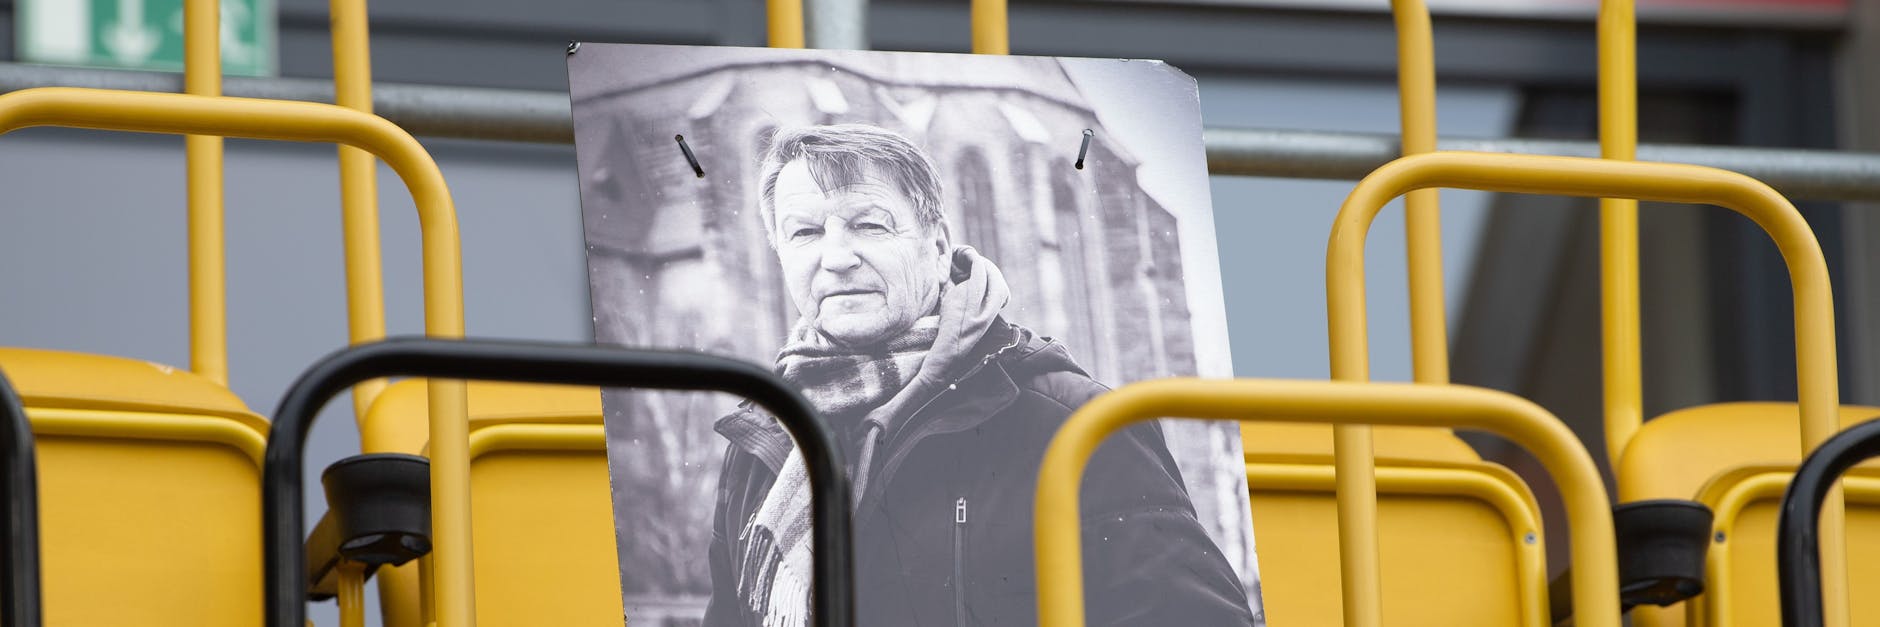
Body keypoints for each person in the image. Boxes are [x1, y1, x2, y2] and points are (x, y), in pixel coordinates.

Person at [703, 123, 1254, 626]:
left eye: (868, 224)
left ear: (938, 247)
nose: (836, 256)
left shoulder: (1073, 423)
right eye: (804, 234)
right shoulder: (762, 441)